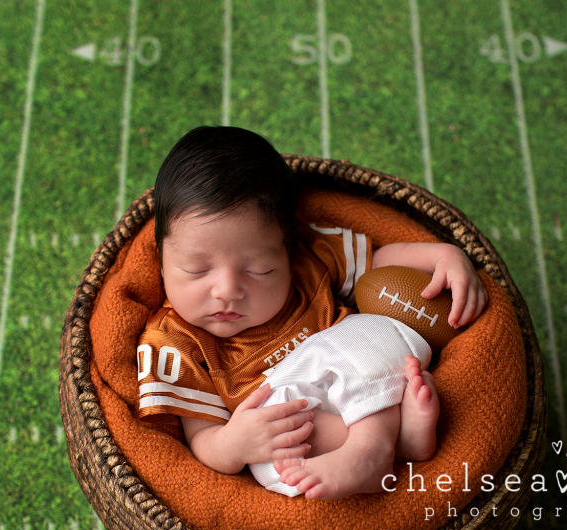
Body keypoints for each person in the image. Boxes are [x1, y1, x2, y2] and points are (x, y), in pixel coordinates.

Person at [135, 126, 488, 500]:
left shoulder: (311, 260)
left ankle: (377, 448)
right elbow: (200, 438)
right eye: (197, 270)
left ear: (289, 253)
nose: (227, 291)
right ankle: (391, 444)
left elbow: (380, 266)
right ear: (160, 263)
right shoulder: (173, 341)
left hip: (365, 375)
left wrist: (442, 256)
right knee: (276, 433)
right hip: (293, 437)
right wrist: (235, 443)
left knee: (371, 330)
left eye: (259, 270)